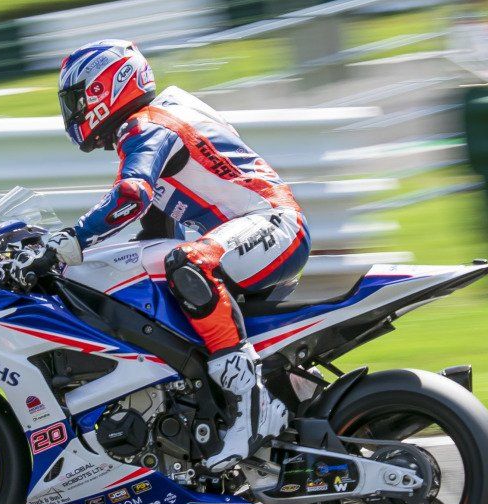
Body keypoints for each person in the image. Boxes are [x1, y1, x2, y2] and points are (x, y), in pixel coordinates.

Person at [44, 39, 303, 471]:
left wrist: (75, 238)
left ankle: (251, 406)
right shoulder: (159, 121)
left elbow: (132, 194)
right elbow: (153, 230)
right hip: (256, 233)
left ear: (105, 88)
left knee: (187, 262)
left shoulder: (147, 125)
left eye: (75, 100)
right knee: (157, 270)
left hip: (275, 226)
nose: (72, 114)